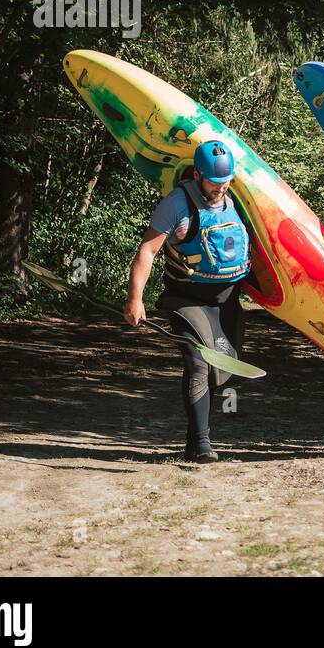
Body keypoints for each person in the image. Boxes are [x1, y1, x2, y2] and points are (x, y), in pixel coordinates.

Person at [124, 140, 251, 463]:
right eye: (214, 182)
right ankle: (201, 443)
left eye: (226, 182)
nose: (221, 188)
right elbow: (147, 252)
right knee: (198, 363)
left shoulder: (236, 199)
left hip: (228, 300)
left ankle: (195, 439)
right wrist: (135, 299)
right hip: (186, 298)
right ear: (197, 175)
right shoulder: (177, 205)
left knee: (221, 372)